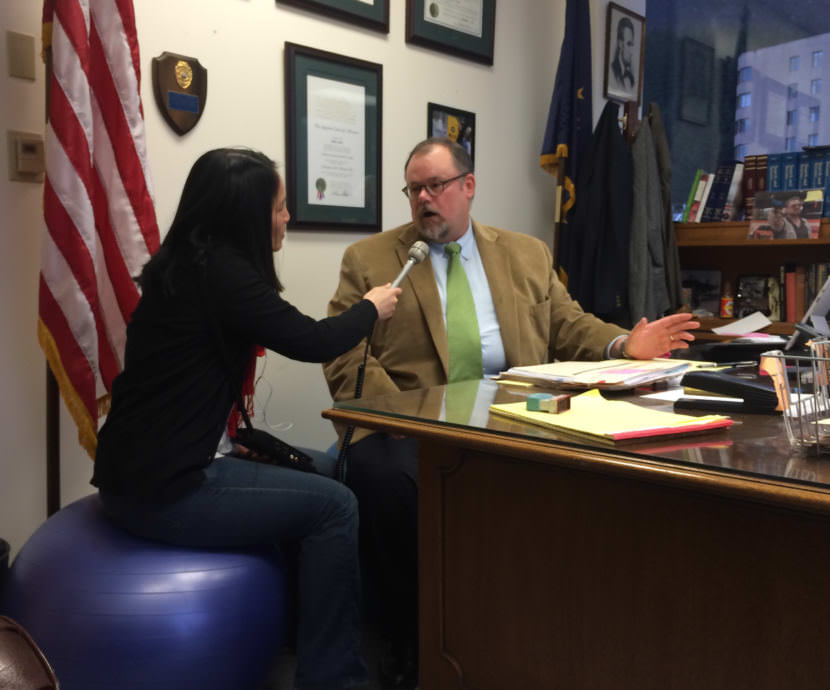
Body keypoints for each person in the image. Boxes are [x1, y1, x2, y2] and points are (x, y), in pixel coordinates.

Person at [322, 137, 698, 690]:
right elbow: (344, 351)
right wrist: (405, 414)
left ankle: (552, 632)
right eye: (414, 189)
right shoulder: (373, 259)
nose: (424, 198)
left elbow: (568, 326)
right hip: (411, 424)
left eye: (437, 186)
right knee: (389, 481)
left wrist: (624, 345)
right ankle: (413, 638)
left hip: (517, 415)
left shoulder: (524, 253)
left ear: (468, 187)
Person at [92, 147, 401, 690]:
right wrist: (371, 307)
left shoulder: (188, 263)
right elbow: (312, 340)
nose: (287, 218)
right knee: (337, 506)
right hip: (165, 490)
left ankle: (301, 632)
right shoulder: (223, 276)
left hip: (148, 470)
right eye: (279, 208)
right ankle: (334, 678)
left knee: (327, 471)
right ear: (247, 215)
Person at [611, 16, 636, 93]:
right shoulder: (612, 70)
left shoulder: (631, 76)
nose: (631, 52)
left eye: (632, 45)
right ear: (620, 44)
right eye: (628, 44)